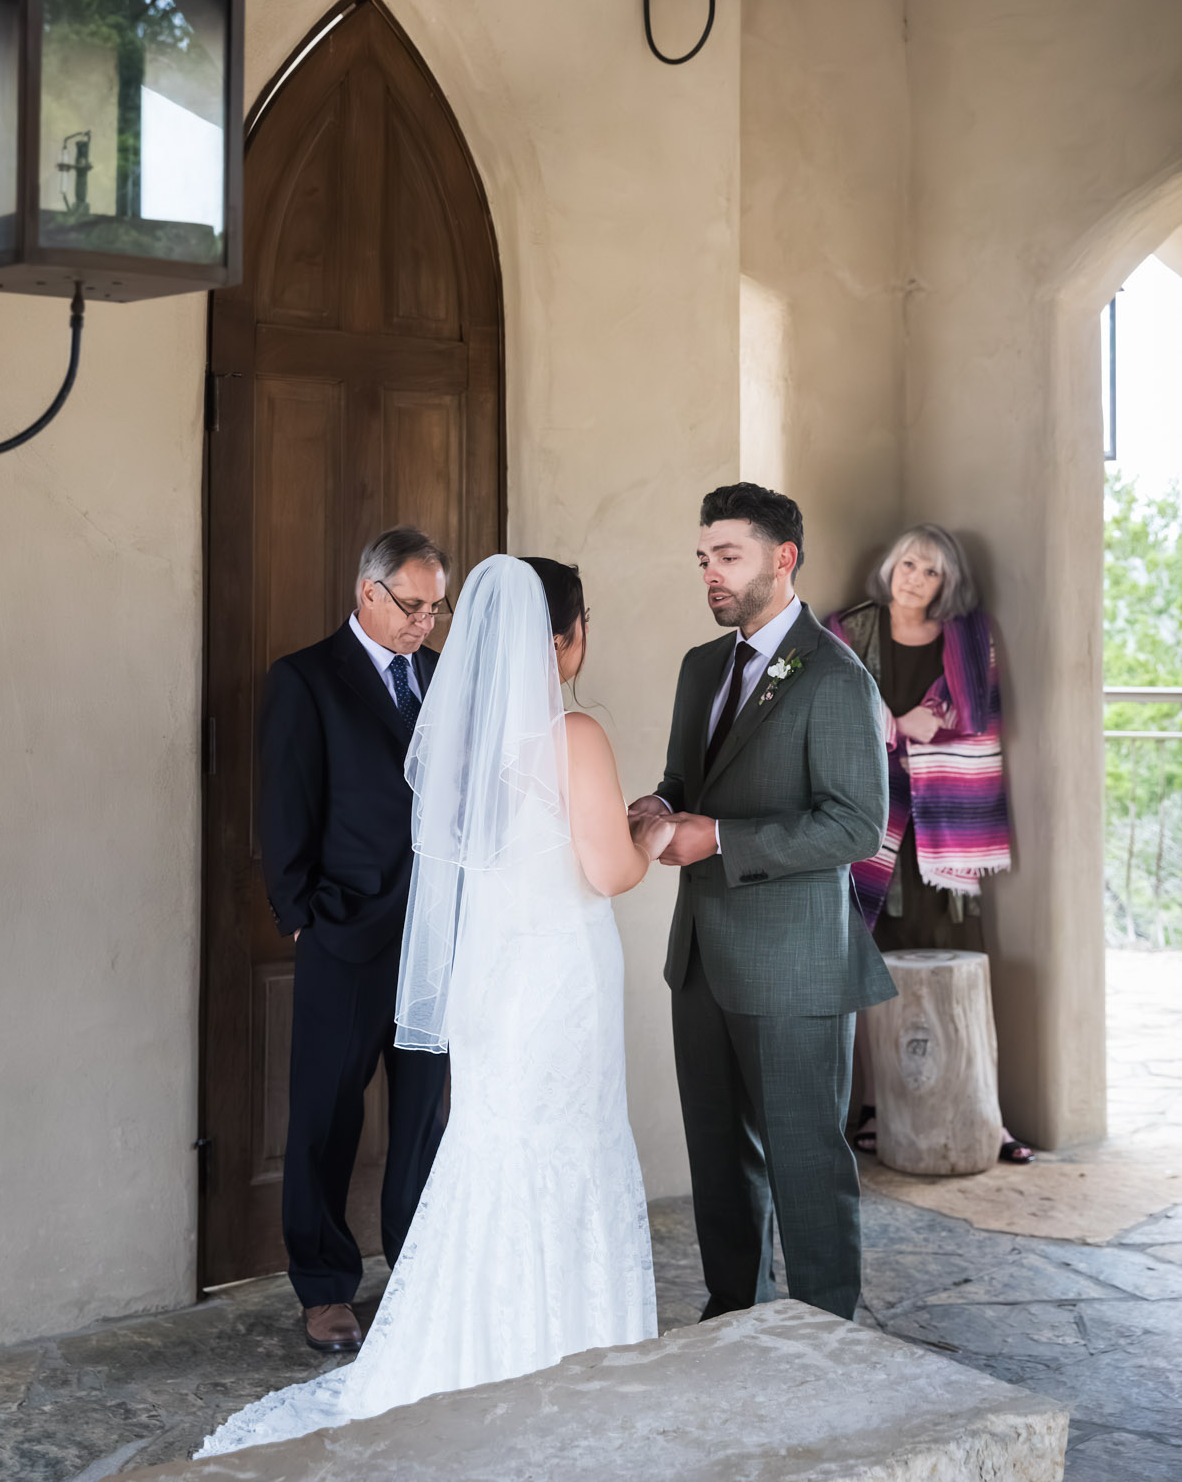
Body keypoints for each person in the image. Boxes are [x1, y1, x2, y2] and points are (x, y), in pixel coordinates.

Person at [200, 555, 673, 1456]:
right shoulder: (573, 736)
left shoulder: (460, 740)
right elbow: (607, 869)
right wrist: (645, 831)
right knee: (565, 1146)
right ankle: (567, 1343)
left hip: (493, 988)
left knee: (488, 1152)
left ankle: (474, 1341)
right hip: (557, 984)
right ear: (564, 639)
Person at [629, 482, 893, 1324]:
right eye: (703, 558)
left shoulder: (835, 674)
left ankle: (827, 1337)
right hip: (700, 953)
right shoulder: (699, 667)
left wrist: (725, 843)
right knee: (717, 1156)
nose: (709, 573)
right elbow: (684, 784)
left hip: (794, 965)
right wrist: (659, 812)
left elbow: (856, 827)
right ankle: (734, 1317)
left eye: (728, 556)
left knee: (806, 1162)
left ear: (783, 560)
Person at [257, 527, 453, 1354]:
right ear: (369, 593)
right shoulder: (304, 678)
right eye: (413, 606)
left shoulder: (444, 677)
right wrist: (301, 911)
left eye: (436, 608)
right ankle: (325, 1286)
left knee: (421, 1120)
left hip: (437, 937)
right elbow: (282, 803)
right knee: (325, 1118)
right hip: (345, 931)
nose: (425, 624)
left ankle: (412, 1276)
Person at [826, 523, 1031, 1163]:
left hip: (946, 835)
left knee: (960, 963)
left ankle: (982, 1111)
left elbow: (980, 724)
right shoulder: (847, 631)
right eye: (909, 564)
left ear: (948, 583)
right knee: (876, 971)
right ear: (889, 566)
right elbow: (826, 712)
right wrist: (896, 724)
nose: (915, 578)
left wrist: (914, 734)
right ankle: (875, 1110)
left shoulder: (968, 642)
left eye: (931, 571)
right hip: (873, 825)